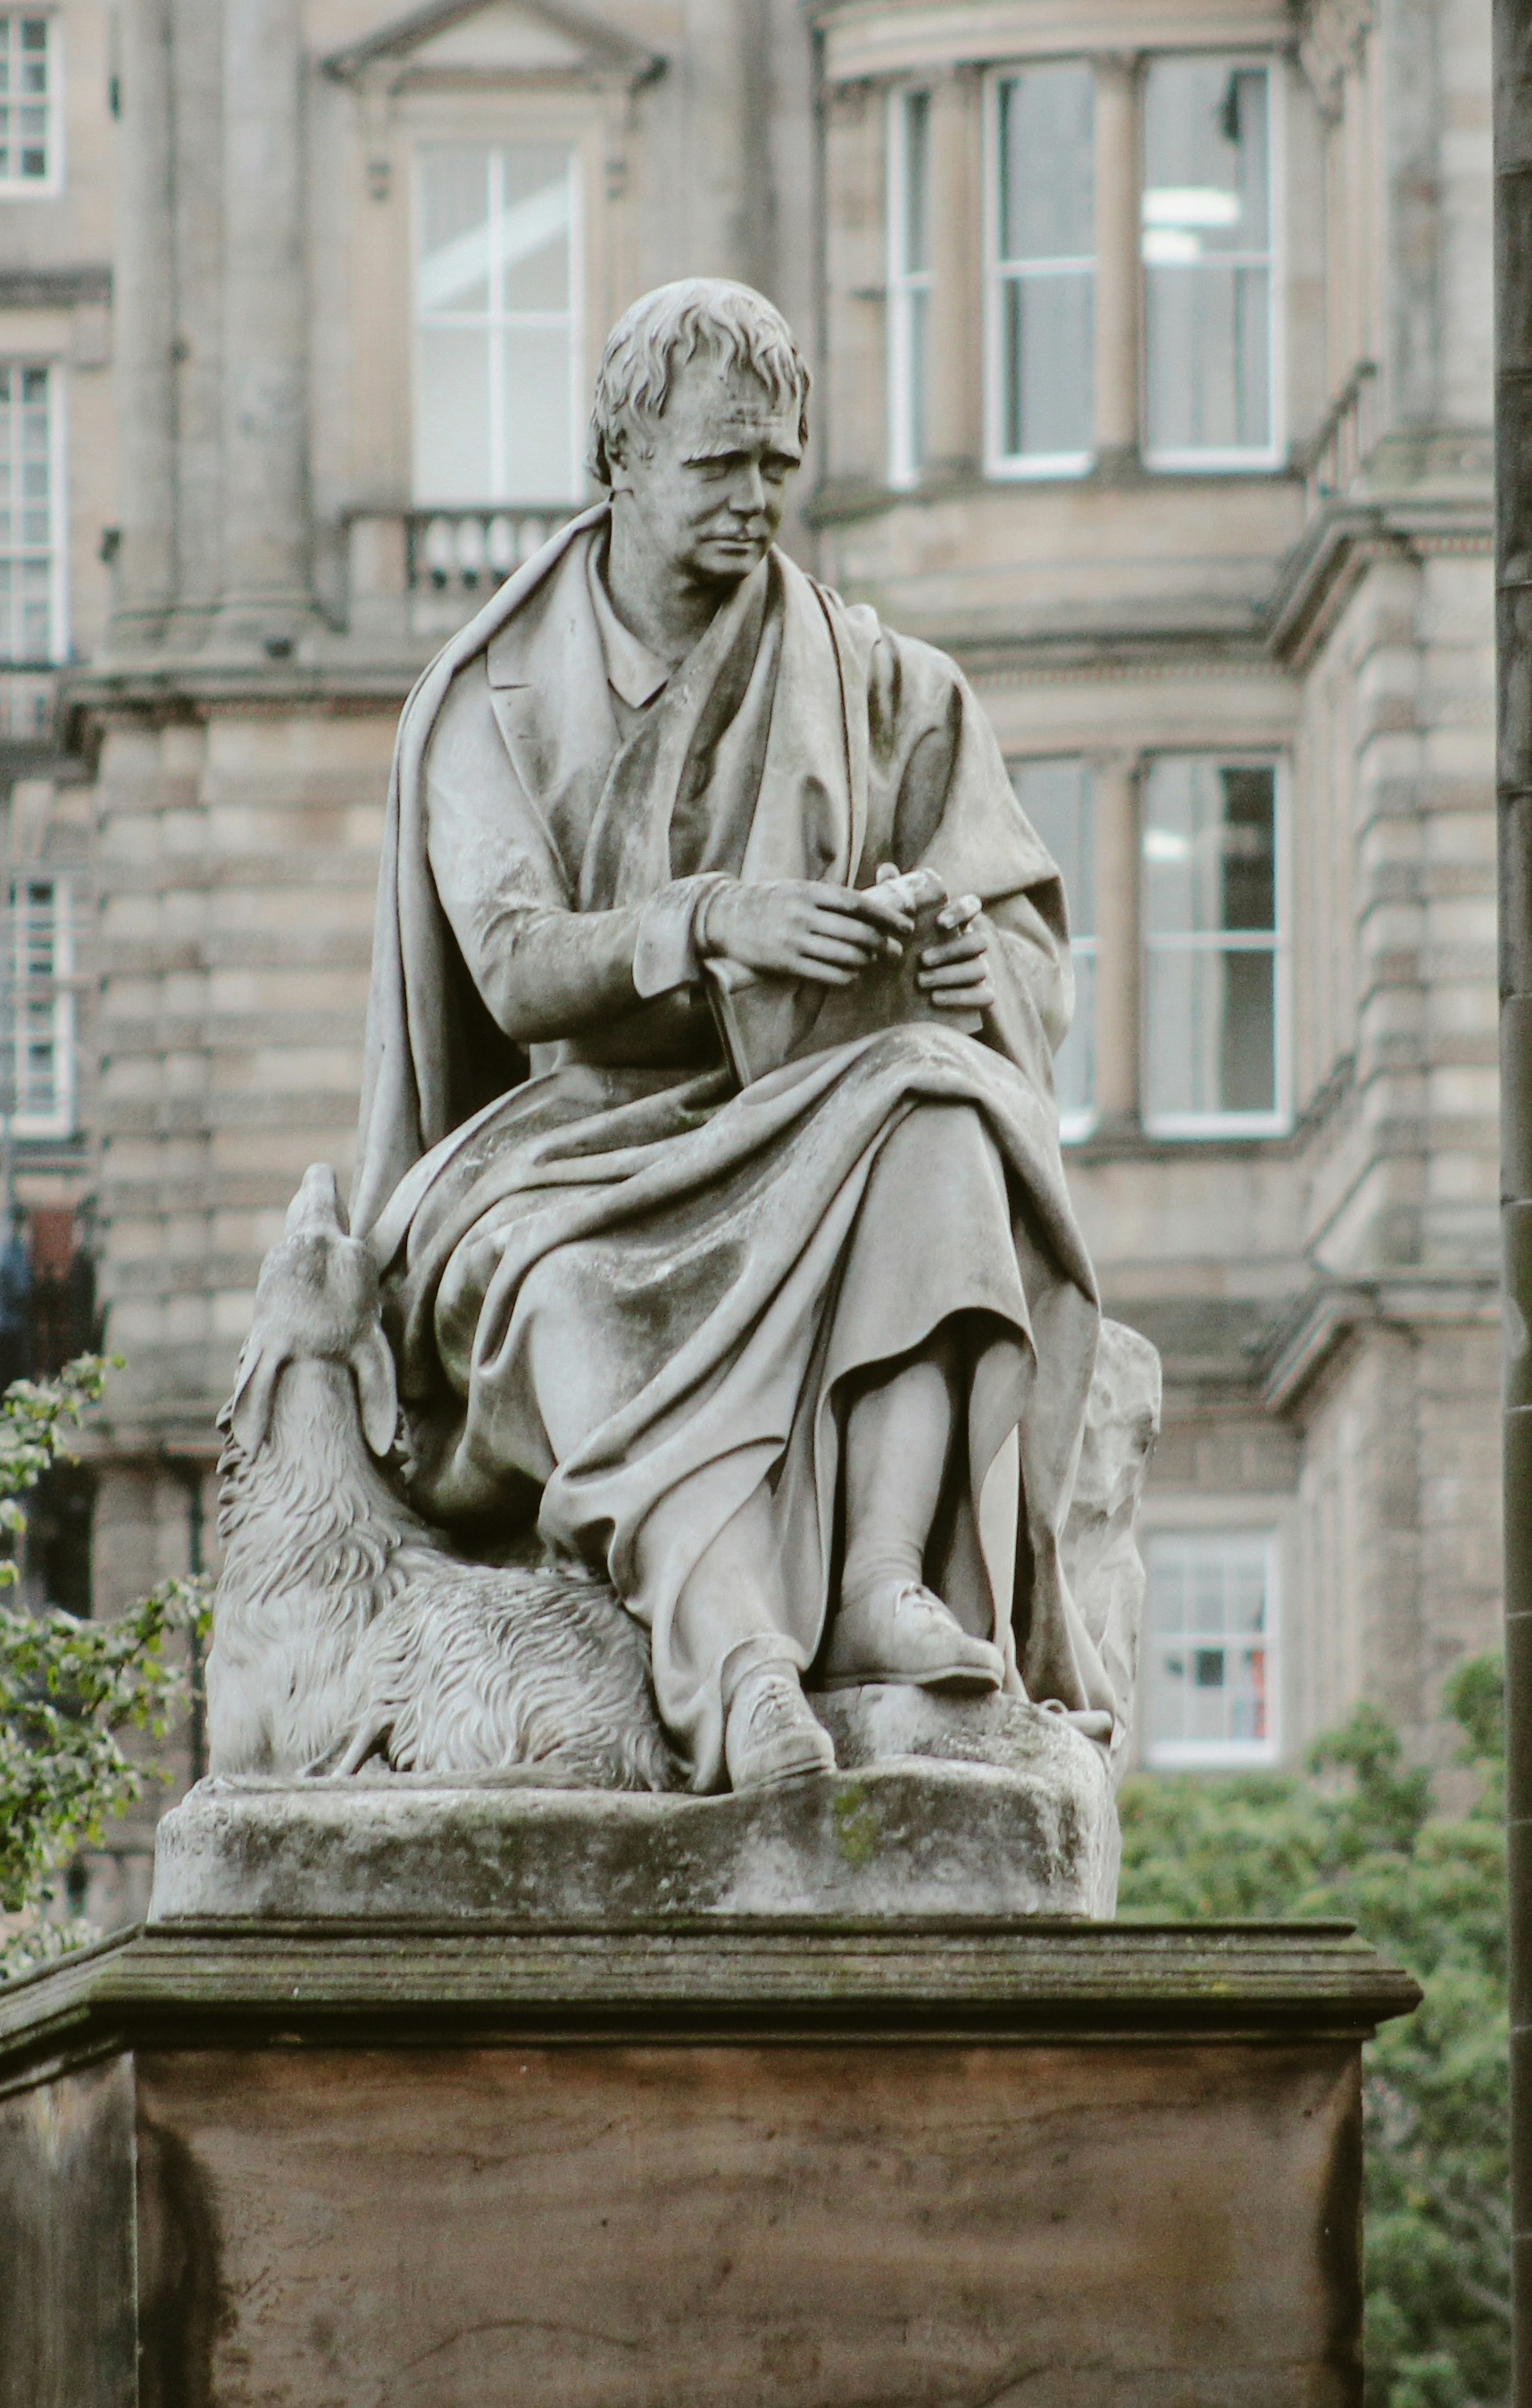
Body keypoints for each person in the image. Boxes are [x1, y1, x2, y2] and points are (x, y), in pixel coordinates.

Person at [351, 278, 1105, 1793]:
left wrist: (968, 964)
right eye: (716, 465)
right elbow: (513, 968)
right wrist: (708, 922)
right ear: (618, 460)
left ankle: (881, 1581)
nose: (755, 499)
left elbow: (1019, 935)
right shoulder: (488, 700)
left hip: (816, 1102)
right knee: (568, 1302)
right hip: (567, 1157)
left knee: (941, 1112)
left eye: (776, 464)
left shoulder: (886, 686)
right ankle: (743, 1664)